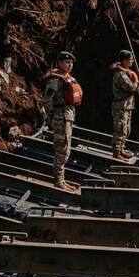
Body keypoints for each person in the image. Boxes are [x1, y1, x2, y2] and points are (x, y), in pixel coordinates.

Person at [42, 51, 81, 193]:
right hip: (60, 116)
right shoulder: (56, 79)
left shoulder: (66, 78)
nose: (69, 65)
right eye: (66, 62)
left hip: (67, 115)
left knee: (66, 149)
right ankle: (58, 181)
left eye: (71, 63)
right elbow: (47, 99)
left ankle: (62, 179)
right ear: (59, 63)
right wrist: (51, 116)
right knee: (62, 149)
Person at [110, 50, 139, 160]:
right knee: (120, 129)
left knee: (127, 129)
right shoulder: (120, 74)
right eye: (130, 60)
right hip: (121, 106)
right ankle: (117, 152)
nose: (132, 62)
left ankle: (122, 149)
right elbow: (131, 87)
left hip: (127, 106)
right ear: (124, 60)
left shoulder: (126, 72)